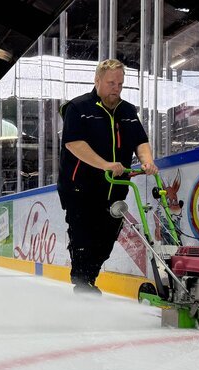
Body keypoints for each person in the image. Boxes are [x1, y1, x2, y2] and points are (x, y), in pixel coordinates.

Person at [58, 59, 159, 295]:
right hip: (79, 187)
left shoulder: (127, 111)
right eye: (111, 82)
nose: (116, 88)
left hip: (116, 188)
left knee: (107, 236)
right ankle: (82, 283)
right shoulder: (78, 108)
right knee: (83, 234)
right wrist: (105, 164)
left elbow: (140, 141)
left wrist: (147, 161)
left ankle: (89, 278)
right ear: (97, 81)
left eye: (120, 83)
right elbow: (74, 144)